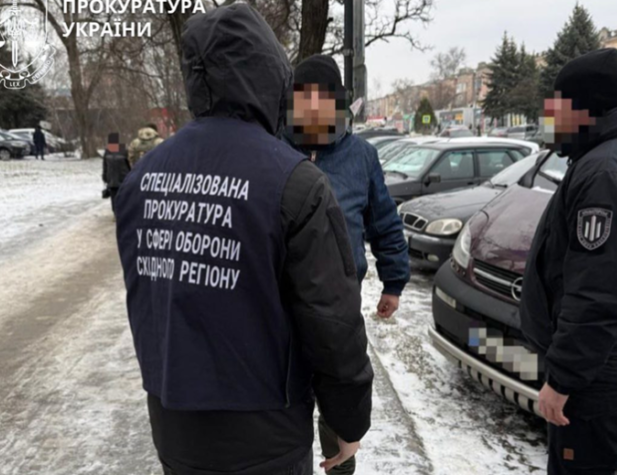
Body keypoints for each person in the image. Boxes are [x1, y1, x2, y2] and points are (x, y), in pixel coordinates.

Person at [114, 5, 373, 475]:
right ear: (270, 75)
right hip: (265, 435)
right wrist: (347, 420)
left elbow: (149, 302)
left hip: (174, 426)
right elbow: (332, 322)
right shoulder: (294, 182)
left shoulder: (140, 180)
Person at [519, 49, 617, 475]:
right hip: (599, 371)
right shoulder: (605, 158)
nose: (550, 118)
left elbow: (598, 294)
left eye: (558, 107)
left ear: (587, 108)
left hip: (595, 380)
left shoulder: (607, 173)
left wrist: (563, 379)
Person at [284, 54, 410, 475]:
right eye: (305, 103)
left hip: (338, 304)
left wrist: (393, 282)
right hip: (279, 304)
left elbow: (386, 222)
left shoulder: (361, 157)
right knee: (284, 399)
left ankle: (338, 464)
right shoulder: (274, 150)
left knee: (337, 399)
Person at [101, 132, 130, 215]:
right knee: (118, 197)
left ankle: (118, 212)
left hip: (116, 179)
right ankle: (118, 213)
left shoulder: (109, 151)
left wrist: (105, 176)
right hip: (119, 178)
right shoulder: (122, 150)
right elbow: (105, 165)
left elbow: (105, 165)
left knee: (117, 197)